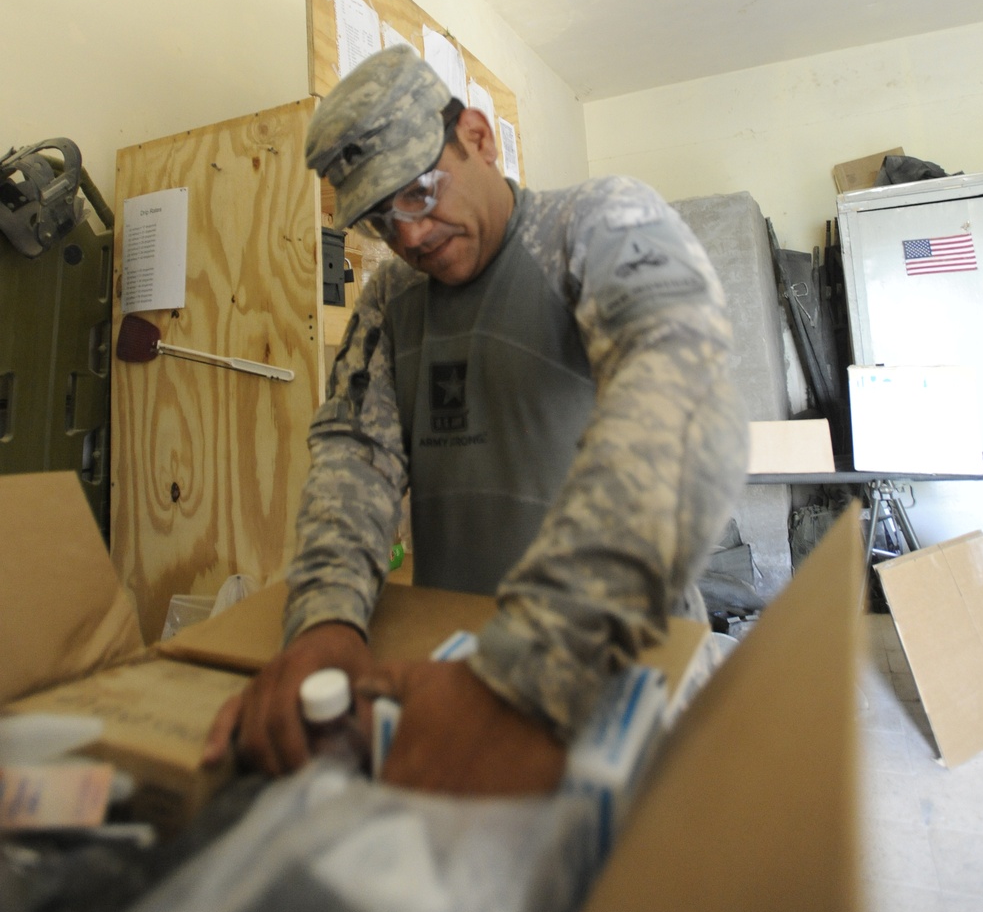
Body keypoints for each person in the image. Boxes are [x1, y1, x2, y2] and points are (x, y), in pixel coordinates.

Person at [206, 45, 747, 794]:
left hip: (617, 666)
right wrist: (326, 621)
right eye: (381, 222)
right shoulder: (392, 301)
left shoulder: (596, 224)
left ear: (479, 138)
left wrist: (535, 667)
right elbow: (353, 453)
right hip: (461, 666)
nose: (411, 237)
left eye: (421, 192)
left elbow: (685, 407)